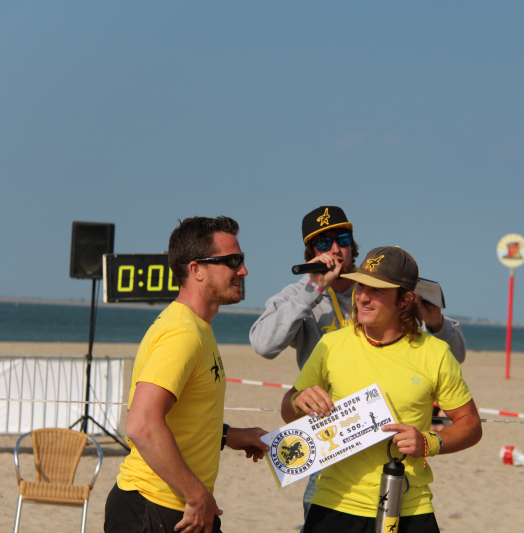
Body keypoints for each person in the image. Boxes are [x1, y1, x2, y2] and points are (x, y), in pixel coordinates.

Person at [249, 206, 468, 522]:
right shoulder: (299, 294)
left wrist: (436, 323)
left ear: (353, 245)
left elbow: (451, 357)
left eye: (342, 239)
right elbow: (264, 345)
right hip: (333, 431)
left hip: (388, 432)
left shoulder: (379, 286)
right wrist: (314, 288)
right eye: (323, 243)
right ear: (310, 252)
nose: (335, 249)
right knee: (321, 510)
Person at [280, 246, 482, 533]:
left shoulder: (436, 353)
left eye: (376, 290)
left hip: (408, 505)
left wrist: (429, 443)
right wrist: (298, 401)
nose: (362, 297)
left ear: (405, 300)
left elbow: (470, 423)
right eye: (361, 286)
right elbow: (287, 410)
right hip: (334, 503)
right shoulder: (331, 345)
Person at [104, 216, 270, 533]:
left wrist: (229, 436)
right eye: (232, 261)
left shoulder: (198, 328)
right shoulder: (182, 333)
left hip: (175, 508)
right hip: (156, 507)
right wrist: (197, 496)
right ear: (196, 270)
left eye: (241, 260)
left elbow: (182, 417)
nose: (243, 271)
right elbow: (141, 424)